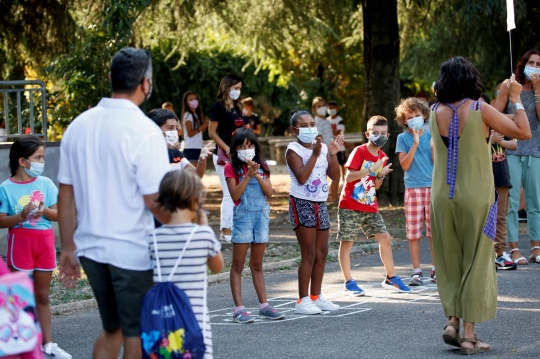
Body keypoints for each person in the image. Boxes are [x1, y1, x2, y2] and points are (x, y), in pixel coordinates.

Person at [57, 47, 171, 359]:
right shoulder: (146, 131)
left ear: (110, 78)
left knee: (114, 329)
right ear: (146, 83)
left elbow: (65, 195)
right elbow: (155, 202)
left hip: (91, 250)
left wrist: (68, 248)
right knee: (135, 333)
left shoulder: (78, 126)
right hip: (131, 252)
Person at [431, 57, 530, 354]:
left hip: (441, 197)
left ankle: (452, 320)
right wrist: (516, 99)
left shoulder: (434, 111)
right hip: (477, 198)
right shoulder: (478, 109)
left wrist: (501, 99)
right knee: (477, 261)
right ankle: (469, 336)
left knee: (449, 260)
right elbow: (523, 132)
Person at [0, 136, 71, 359]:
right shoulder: (5, 188)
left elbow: (59, 214)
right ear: (23, 161)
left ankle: (47, 344)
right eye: (37, 157)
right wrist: (20, 216)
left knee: (42, 296)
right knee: (19, 296)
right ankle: (20, 344)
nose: (42, 162)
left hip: (44, 243)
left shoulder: (46, 184)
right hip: (20, 243)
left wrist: (44, 212)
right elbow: (1, 220)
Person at [149, 169, 223, 359]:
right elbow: (217, 267)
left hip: (161, 323)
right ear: (196, 200)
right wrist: (204, 224)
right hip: (194, 322)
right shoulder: (202, 235)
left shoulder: (153, 238)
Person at [337, 116, 411, 296]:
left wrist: (381, 175)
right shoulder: (359, 151)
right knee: (347, 243)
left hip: (370, 205)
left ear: (388, 134)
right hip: (350, 204)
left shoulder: (383, 157)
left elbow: (376, 186)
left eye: (383, 133)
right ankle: (349, 282)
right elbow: (349, 177)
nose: (379, 136)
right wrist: (371, 169)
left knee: (385, 238)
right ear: (367, 134)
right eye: (375, 133)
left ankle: (391, 277)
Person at [286, 110, 344, 315]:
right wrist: (316, 154)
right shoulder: (293, 150)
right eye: (304, 126)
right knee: (308, 253)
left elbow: (335, 175)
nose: (310, 128)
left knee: (322, 252)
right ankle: (302, 300)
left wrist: (333, 154)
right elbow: (301, 177)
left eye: (312, 124)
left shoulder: (321, 147)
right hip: (301, 202)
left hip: (320, 203)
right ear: (294, 130)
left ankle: (316, 296)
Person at [225, 128, 285, 323]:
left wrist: (257, 173)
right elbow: (235, 195)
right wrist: (247, 176)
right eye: (241, 147)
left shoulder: (263, 166)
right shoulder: (230, 168)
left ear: (255, 147)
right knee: (238, 265)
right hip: (243, 216)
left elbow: (270, 192)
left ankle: (264, 306)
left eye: (249, 146)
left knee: (257, 264)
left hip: (261, 216)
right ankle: (239, 309)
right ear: (235, 149)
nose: (246, 150)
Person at [494, 49, 540, 265]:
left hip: (536, 150)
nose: (534, 66)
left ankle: (535, 247)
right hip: (512, 148)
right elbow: (493, 114)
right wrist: (514, 106)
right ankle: (513, 248)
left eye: (538, 64)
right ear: (523, 64)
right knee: (511, 203)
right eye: (531, 62)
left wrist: (538, 89)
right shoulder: (509, 85)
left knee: (535, 202)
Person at [395, 98, 436, 285]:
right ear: (404, 120)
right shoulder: (402, 138)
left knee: (434, 232)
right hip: (413, 189)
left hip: (432, 187)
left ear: (424, 115)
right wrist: (415, 143)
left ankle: (436, 268)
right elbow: (404, 165)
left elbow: (437, 163)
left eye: (417, 116)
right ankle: (416, 271)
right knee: (413, 233)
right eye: (409, 117)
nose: (413, 120)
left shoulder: (433, 136)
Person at [479, 93, 517, 270]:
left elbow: (514, 144)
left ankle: (500, 253)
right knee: (481, 218)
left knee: (500, 217)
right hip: (482, 180)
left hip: (501, 178)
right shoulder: (474, 131)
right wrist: (490, 141)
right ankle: (482, 255)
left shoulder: (499, 125)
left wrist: (499, 140)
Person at [208, 74, 244, 242]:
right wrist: (227, 148)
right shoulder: (217, 108)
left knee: (238, 192)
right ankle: (225, 230)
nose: (238, 91)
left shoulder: (238, 107)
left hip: (238, 155)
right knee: (229, 194)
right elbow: (211, 133)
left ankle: (235, 228)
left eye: (239, 89)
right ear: (227, 87)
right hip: (223, 156)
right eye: (235, 88)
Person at [147, 108, 212, 178]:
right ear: (155, 129)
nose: (174, 132)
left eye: (176, 128)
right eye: (170, 128)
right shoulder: (146, 155)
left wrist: (201, 159)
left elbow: (196, 175)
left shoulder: (176, 153)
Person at [181, 91, 209, 165]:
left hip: (197, 147)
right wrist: (203, 126)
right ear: (186, 102)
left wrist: (205, 126)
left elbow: (199, 132)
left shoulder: (195, 115)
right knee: (192, 172)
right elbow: (190, 133)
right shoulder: (188, 115)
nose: (194, 101)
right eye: (191, 99)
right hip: (191, 148)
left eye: (195, 98)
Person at [327, 101, 347, 203]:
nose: (331, 110)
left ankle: (343, 180)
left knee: (341, 164)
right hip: (328, 147)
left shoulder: (340, 120)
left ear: (337, 108)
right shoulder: (325, 120)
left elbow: (337, 132)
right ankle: (332, 195)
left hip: (339, 147)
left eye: (333, 108)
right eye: (329, 108)